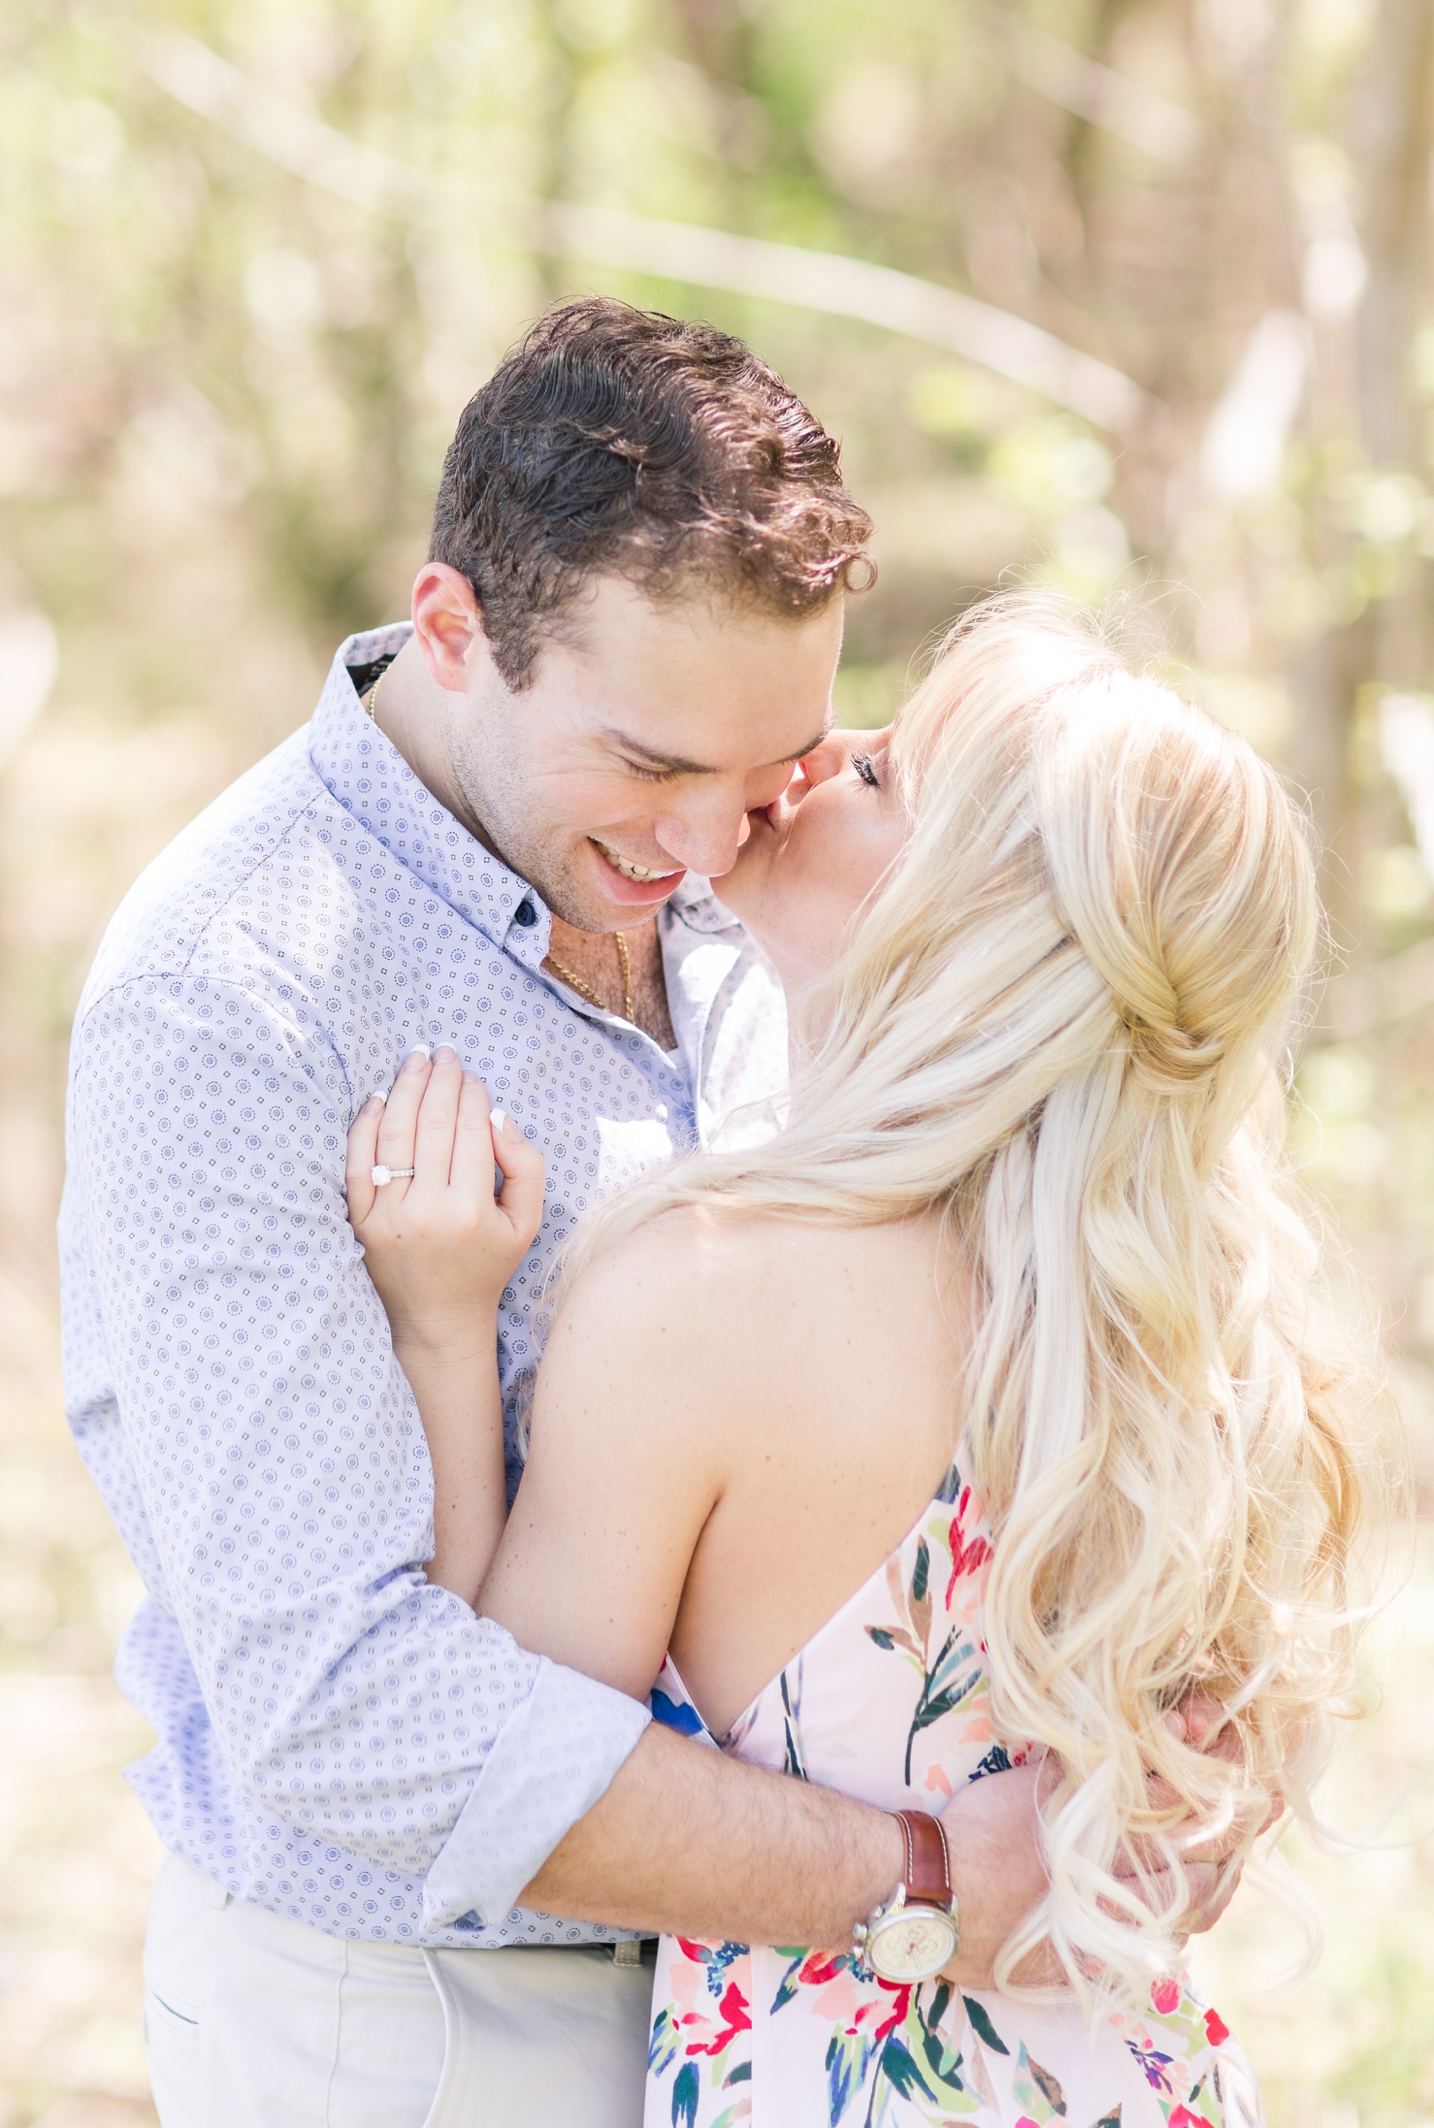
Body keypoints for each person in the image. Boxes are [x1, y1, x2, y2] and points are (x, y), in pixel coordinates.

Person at [61, 301, 1251, 2128]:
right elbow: (345, 1706)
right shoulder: (236, 991)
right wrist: (920, 1879)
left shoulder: (800, 899)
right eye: (649, 766)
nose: (710, 845)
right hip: (439, 2018)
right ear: (455, 630)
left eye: (774, 757)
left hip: (796, 2018)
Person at [350, 600, 1391, 2127]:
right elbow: (1192, 1844)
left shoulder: (702, 1290)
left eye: (888, 775)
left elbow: (507, 1764)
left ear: (970, 917)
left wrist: (445, 1327)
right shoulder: (1207, 1333)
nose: (814, 762)